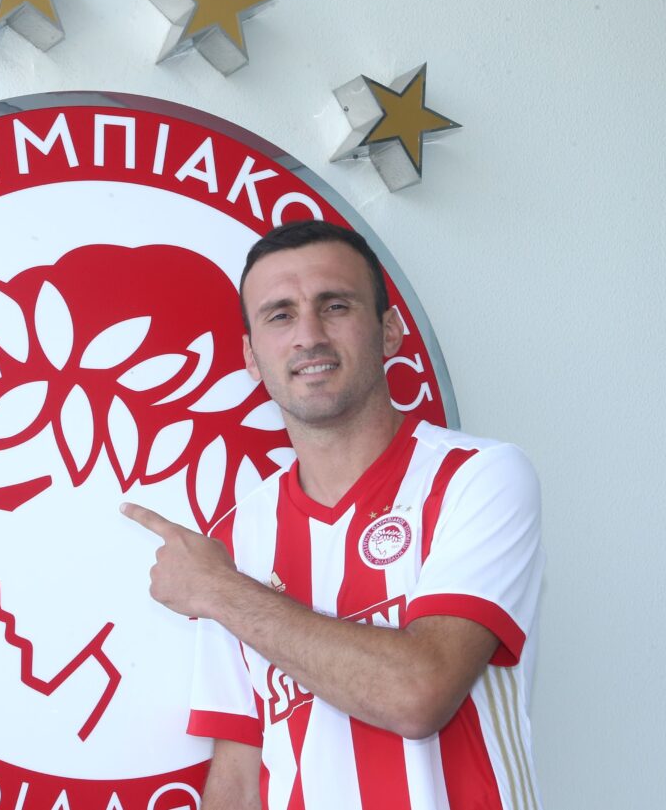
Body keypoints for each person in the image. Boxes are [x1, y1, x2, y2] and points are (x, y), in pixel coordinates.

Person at [123, 221, 545, 809]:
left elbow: (418, 693)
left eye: (335, 306)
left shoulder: (477, 478)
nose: (309, 335)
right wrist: (220, 584)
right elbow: (239, 773)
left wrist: (219, 591)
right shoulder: (236, 537)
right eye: (280, 315)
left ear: (389, 331)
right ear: (251, 356)